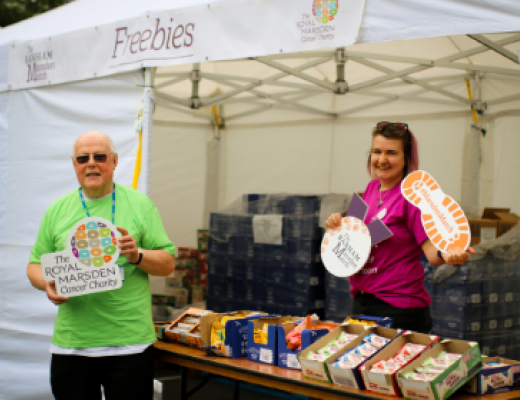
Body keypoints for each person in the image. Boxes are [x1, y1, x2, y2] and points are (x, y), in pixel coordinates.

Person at [27, 131, 175, 400]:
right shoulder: (57, 210)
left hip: (129, 344)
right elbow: (35, 265)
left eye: (100, 157)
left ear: (115, 161)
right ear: (74, 164)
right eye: (83, 158)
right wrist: (47, 285)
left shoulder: (141, 205)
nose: (92, 163)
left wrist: (137, 255)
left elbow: (167, 264)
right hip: (72, 345)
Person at [325, 122, 474, 333]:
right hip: (362, 300)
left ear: (406, 159)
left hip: (398, 307)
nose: (382, 159)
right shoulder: (371, 188)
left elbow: (433, 253)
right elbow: (359, 237)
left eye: (391, 153)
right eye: (377, 152)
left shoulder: (412, 197)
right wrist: (338, 225)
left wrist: (450, 254)